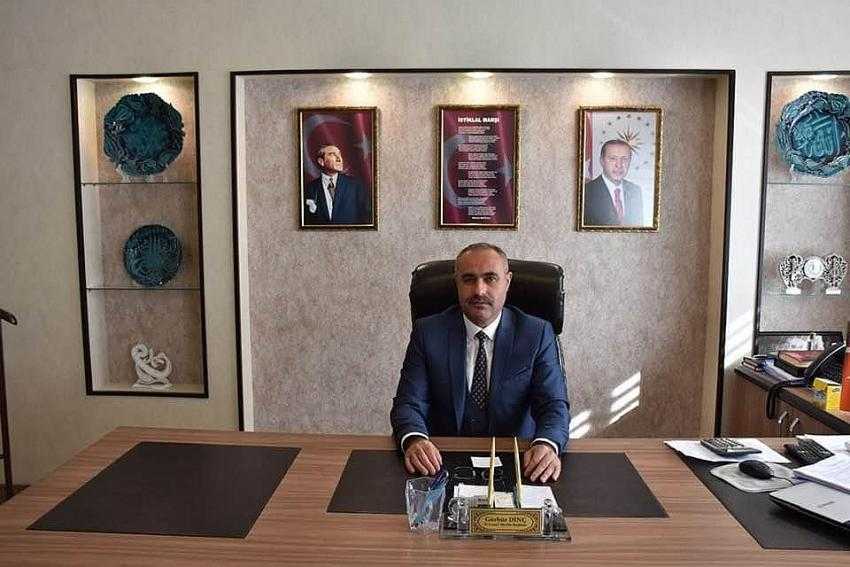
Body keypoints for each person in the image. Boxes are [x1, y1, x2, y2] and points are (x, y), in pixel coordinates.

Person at [390, 243, 570, 482]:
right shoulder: (428, 333)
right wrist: (415, 439)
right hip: (441, 462)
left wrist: (547, 444)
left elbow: (554, 405)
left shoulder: (536, 334)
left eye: (490, 278)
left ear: (507, 282)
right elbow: (408, 403)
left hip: (518, 462)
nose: (479, 290)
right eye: (468, 279)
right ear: (456, 283)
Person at [303, 144, 371, 225]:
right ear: (321, 162)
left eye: (339, 154)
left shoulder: (356, 186)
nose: (339, 159)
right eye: (332, 154)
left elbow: (366, 218)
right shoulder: (309, 189)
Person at [583, 139, 644, 226]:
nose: (619, 165)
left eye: (624, 159)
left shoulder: (635, 191)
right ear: (602, 161)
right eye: (613, 158)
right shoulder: (586, 192)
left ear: (630, 161)